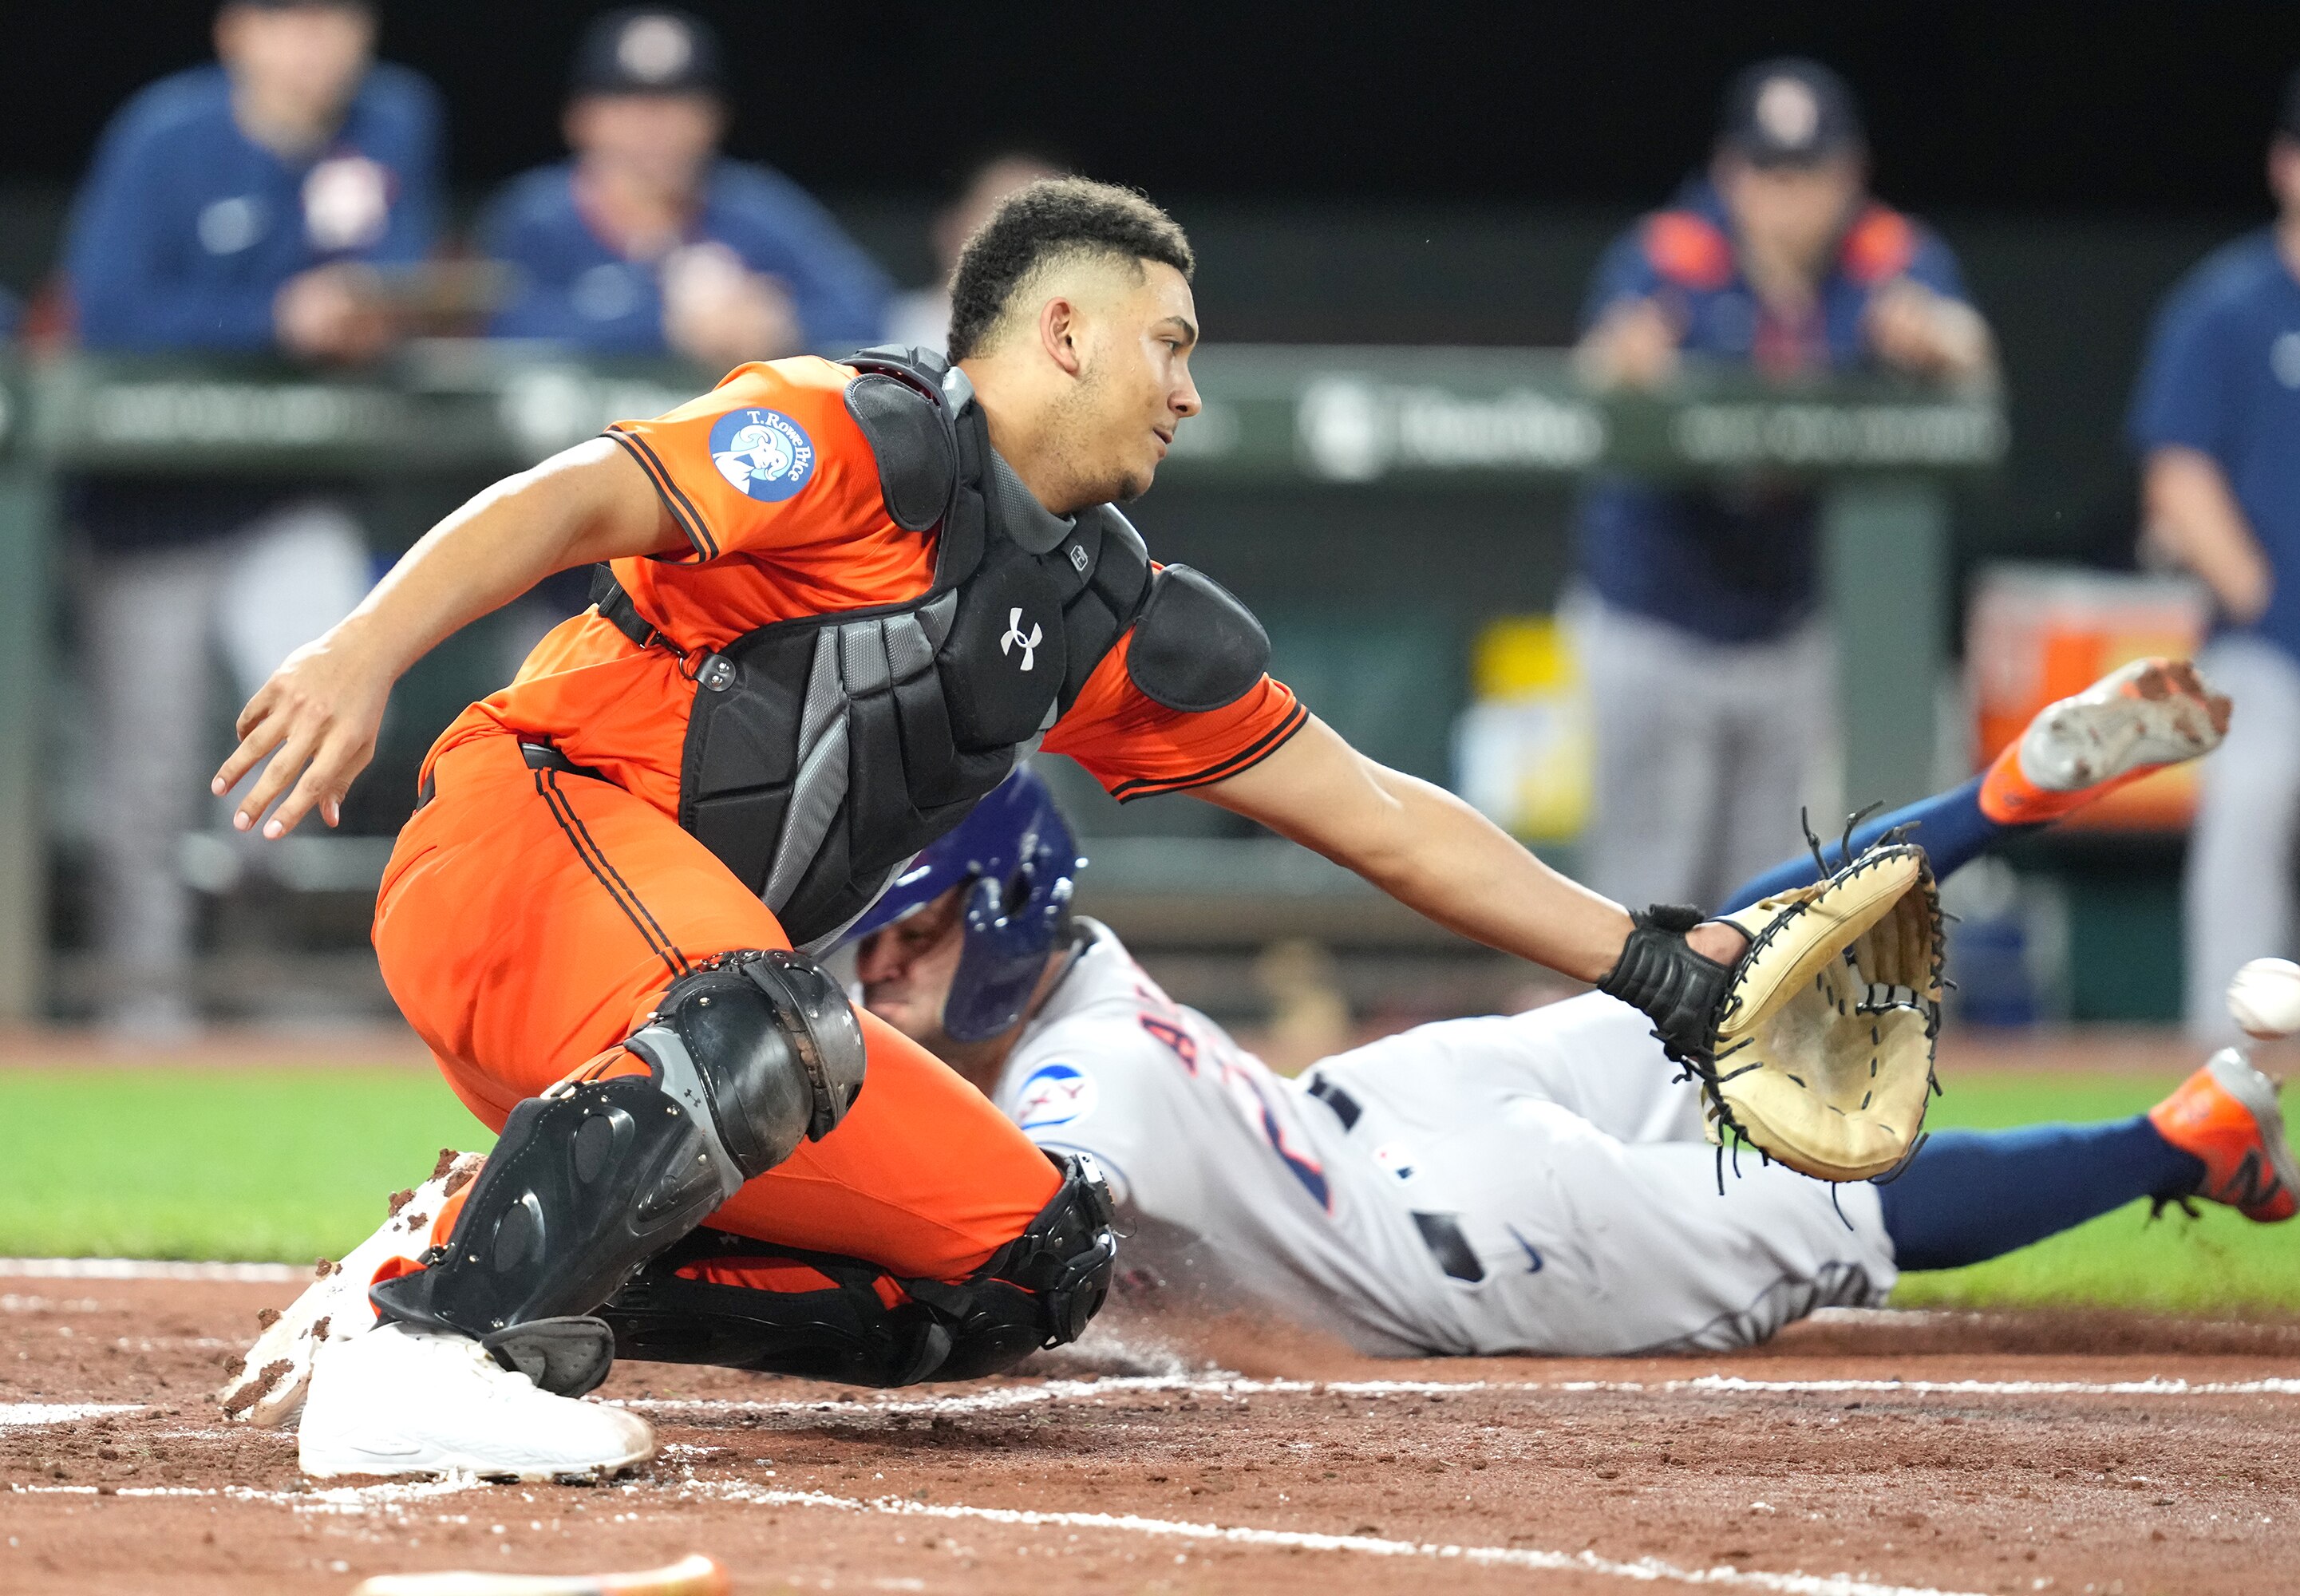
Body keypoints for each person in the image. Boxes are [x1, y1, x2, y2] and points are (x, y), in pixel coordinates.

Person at [212, 178, 1786, 1478]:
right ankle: (430, 1365)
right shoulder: (857, 436)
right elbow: (571, 495)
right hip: (518, 849)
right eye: (1169, 345)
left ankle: (452, 1261)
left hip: (669, 1014)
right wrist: (363, 651)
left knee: (1027, 1261)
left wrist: (1659, 968)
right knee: (774, 1021)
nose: (1187, 387)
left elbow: (1377, 814)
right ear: (1064, 331)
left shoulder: (1096, 612)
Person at [226, 658, 2274, 1394]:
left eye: (909, 935)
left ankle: (2172, 1139)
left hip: (1463, 1239)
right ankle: (1990, 809)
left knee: (1838, 1202)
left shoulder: (1064, 1071)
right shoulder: (1062, 1007)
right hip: (1383, 1101)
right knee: (1724, 962)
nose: (876, 974)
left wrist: (519, 1236)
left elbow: (925, 1247)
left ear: (993, 913)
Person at [60, 0, 441, 1035]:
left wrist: (378, 312)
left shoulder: (391, 120)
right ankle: (139, 1020)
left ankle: (273, 981)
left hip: (288, 492)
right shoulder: (166, 135)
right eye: (287, 19)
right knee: (144, 783)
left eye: (332, 19)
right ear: (238, 32)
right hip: (156, 508)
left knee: (331, 710)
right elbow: (105, 311)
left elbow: (400, 275)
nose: (313, 42)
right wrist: (271, 321)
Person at [1568, 57, 1996, 914]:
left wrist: (1938, 342)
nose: (1786, 195)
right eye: (1768, 171)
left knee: (1764, 901)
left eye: (1808, 172)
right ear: (1731, 172)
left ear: (1850, 175)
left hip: (1790, 626)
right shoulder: (1676, 253)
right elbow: (1596, 371)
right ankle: (1624, 1050)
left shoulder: (1887, 258)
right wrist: (1630, 365)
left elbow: (1974, 356)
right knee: (1643, 901)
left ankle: (1734, 1054)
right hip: (1659, 616)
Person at [2132, 59, 2300, 1043]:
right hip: (2273, 649)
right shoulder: (2231, 307)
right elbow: (2178, 475)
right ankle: (2219, 1056)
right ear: (2287, 166)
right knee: (2251, 793)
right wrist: (2268, 598)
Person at [479, 7, 889, 367]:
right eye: (630, 104)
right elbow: (495, 331)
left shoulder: (755, 207)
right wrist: (663, 320)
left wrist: (778, 321)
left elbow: (868, 311)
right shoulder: (537, 216)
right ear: (581, 120)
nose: (656, 127)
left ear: (715, 119)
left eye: (679, 105)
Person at [884, 149, 1069, 354]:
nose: (1023, 238)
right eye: (1003, 213)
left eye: (1046, 224)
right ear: (949, 225)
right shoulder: (876, 324)